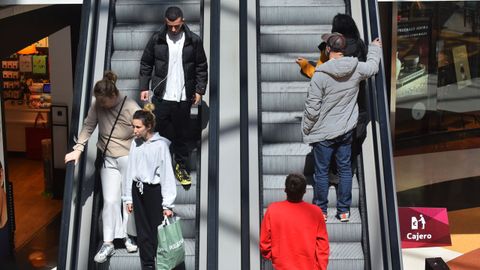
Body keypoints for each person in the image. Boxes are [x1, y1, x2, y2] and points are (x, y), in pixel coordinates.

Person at [302, 33, 382, 222]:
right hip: (346, 130)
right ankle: (344, 211)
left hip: (323, 133)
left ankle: (321, 210)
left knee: (321, 172)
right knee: (345, 169)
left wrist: (307, 128)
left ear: (328, 49)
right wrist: (375, 48)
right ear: (343, 49)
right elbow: (373, 67)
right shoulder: (356, 68)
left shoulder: (319, 76)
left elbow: (312, 109)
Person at [64, 71, 140, 263]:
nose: (102, 106)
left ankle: (128, 236)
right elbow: (89, 126)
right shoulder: (97, 103)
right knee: (110, 200)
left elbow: (145, 128)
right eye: (99, 102)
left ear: (113, 96)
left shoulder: (130, 106)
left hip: (128, 157)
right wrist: (78, 149)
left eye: (104, 102)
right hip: (108, 158)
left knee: (128, 199)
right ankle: (108, 242)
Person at [139, 6, 208, 190]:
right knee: (159, 133)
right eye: (171, 26)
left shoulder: (193, 40)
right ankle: (158, 166)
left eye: (177, 26)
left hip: (183, 97)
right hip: (162, 96)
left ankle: (180, 167)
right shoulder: (157, 39)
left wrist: (200, 90)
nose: (174, 29)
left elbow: (201, 66)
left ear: (182, 21)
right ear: (165, 23)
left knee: (181, 135)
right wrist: (144, 86)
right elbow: (146, 62)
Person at [123, 104, 177, 270]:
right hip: (137, 190)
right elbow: (129, 170)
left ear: (149, 126)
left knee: (157, 232)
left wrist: (168, 204)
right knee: (143, 232)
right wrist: (128, 197)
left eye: (138, 127)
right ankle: (147, 266)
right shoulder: (135, 143)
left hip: (154, 192)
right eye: (133, 126)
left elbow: (167, 175)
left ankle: (162, 265)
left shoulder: (161, 145)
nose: (135, 130)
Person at [260, 173, 329, 270]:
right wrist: (320, 267)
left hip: (282, 265)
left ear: (285, 190)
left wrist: (272, 256)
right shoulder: (316, 212)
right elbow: (322, 245)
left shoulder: (272, 210)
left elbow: (265, 242)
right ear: (304, 191)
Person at [296, 13, 367, 79]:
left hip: (333, 90)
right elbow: (365, 69)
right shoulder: (359, 43)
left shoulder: (330, 46)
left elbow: (319, 74)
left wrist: (305, 65)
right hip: (357, 90)